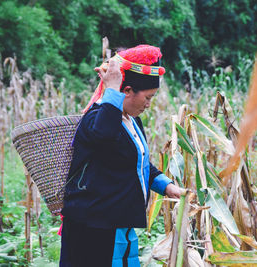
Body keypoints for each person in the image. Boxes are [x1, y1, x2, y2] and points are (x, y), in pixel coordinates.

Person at [59, 45, 182, 267]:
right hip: (92, 228)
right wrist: (111, 89)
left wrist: (167, 186)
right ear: (126, 91)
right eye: (147, 97)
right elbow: (104, 136)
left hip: (118, 223)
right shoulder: (95, 120)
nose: (149, 104)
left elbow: (136, 163)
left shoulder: (131, 120)